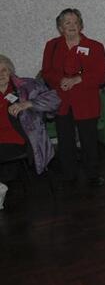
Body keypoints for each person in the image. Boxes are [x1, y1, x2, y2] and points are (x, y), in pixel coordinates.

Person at [41, 8, 105, 187]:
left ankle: (92, 174)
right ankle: (69, 174)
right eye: (67, 22)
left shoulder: (95, 46)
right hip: (62, 101)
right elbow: (46, 72)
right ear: (60, 27)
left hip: (86, 101)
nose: (72, 25)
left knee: (89, 140)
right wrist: (60, 80)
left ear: (81, 25)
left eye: (75, 22)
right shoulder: (52, 45)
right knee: (65, 140)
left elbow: (101, 76)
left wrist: (78, 79)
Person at [0, 54, 59, 206]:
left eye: (4, 70)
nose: (1, 74)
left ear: (10, 71)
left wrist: (28, 104)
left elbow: (54, 100)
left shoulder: (26, 86)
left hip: (19, 138)